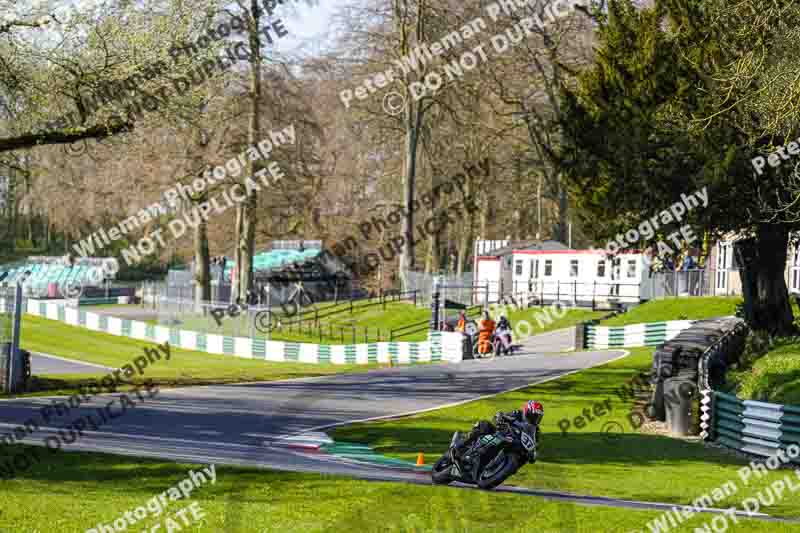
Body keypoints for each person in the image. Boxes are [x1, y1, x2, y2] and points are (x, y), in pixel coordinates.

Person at [456, 400, 544, 456]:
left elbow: (535, 447)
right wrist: (500, 419)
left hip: (513, 445)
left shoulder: (536, 431)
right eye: (533, 415)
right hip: (500, 434)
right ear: (526, 411)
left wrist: (533, 453)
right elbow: (500, 417)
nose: (534, 418)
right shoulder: (517, 414)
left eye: (537, 417)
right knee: (484, 425)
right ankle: (460, 446)